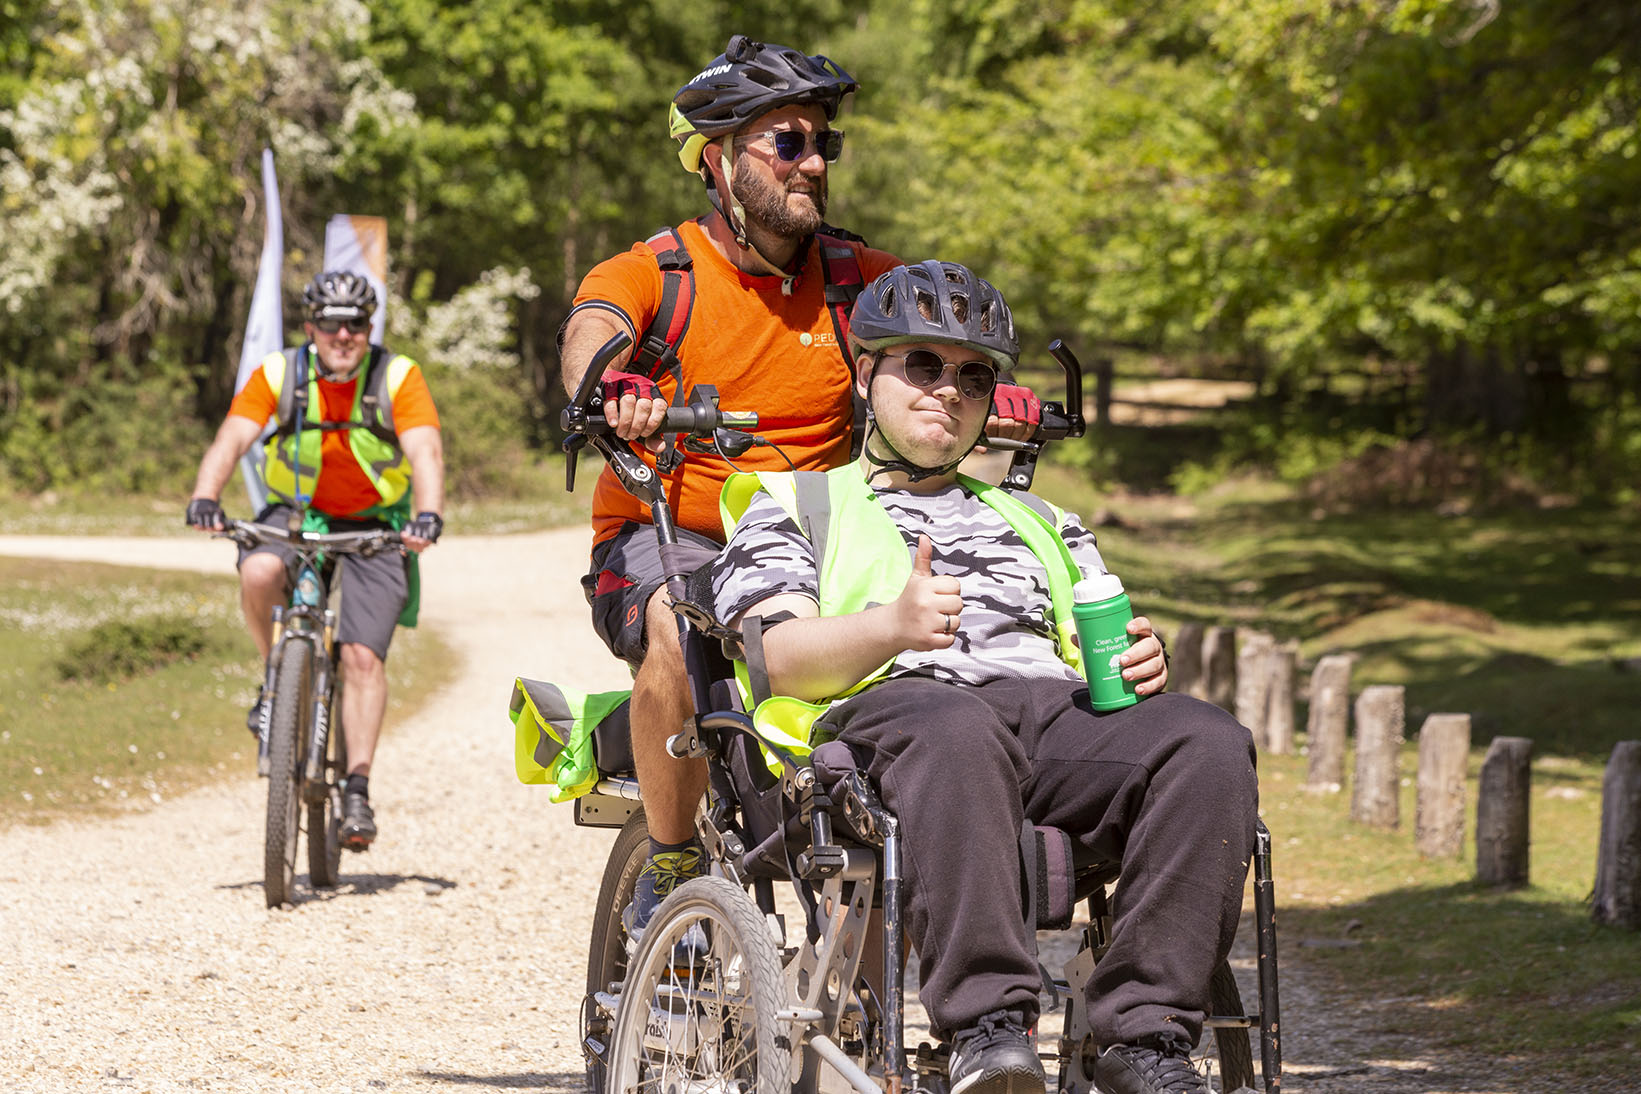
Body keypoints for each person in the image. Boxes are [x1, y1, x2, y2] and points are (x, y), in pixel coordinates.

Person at [712, 261, 1258, 1094]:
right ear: (867, 376)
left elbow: (1097, 654)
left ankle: (1144, 1040)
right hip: (884, 715)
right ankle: (987, 1029)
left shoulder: (1044, 520)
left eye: (973, 375)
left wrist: (1143, 659)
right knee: (951, 725)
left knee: (1207, 742)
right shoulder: (794, 504)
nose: (948, 391)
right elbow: (774, 655)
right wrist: (890, 626)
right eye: (921, 366)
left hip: (1042, 713)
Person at [559, 35, 1045, 934]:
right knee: (678, 623)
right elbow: (591, 333)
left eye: (822, 142)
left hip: (811, 540)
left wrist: (987, 384)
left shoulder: (856, 275)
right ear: (717, 158)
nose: (813, 162)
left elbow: (938, 337)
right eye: (786, 142)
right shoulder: (654, 273)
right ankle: (668, 862)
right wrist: (610, 387)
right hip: (673, 529)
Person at [185, 270, 445, 851]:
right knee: (258, 570)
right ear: (312, 328)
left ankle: (356, 788)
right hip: (296, 512)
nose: (344, 334)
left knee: (360, 657)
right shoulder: (281, 372)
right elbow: (232, 437)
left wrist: (427, 512)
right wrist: (206, 494)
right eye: (331, 323)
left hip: (377, 523)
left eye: (356, 323)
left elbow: (425, 450)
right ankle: (276, 679)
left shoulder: (396, 375)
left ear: (369, 327)